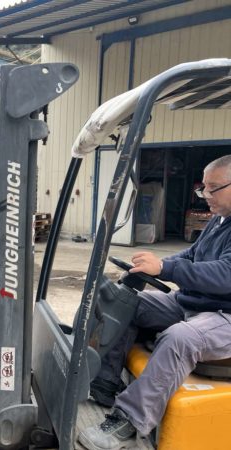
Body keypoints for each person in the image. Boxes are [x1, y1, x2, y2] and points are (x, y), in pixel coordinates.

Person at [79, 154, 231, 450]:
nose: (205, 195)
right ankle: (104, 383)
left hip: (224, 315)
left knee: (180, 338)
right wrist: (156, 266)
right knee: (126, 302)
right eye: (203, 188)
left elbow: (225, 274)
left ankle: (128, 420)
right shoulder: (219, 221)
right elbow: (191, 255)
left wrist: (165, 268)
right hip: (196, 304)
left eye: (213, 188)